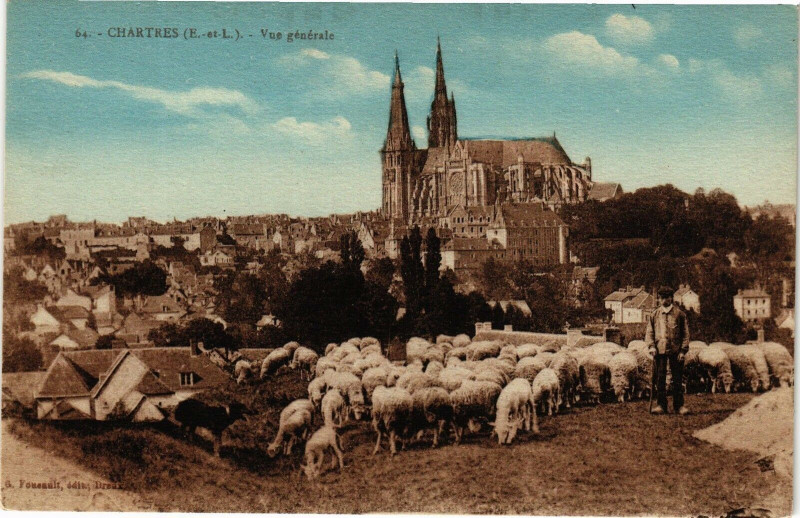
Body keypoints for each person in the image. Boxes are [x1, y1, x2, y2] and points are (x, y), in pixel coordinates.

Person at [644, 285, 691, 415]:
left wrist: (683, 351)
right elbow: (649, 332)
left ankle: (679, 406)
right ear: (659, 299)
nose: (665, 300)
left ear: (672, 298)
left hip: (676, 351)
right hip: (659, 350)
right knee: (660, 378)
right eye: (662, 298)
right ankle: (661, 405)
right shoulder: (654, 315)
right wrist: (651, 346)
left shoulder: (679, 314)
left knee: (677, 378)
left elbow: (686, 334)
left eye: (667, 297)